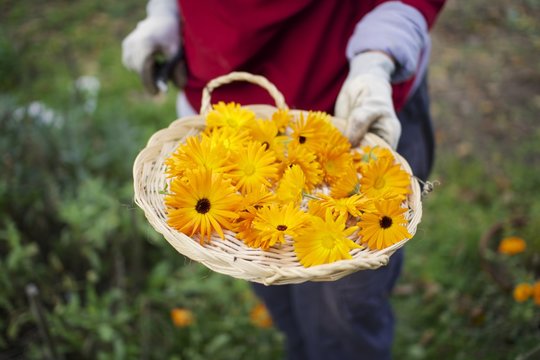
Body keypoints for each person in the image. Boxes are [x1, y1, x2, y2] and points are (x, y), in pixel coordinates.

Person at [122, 1, 445, 359]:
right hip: (230, 130)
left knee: (344, 314)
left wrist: (378, 58)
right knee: (275, 292)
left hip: (353, 115)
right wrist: (164, 15)